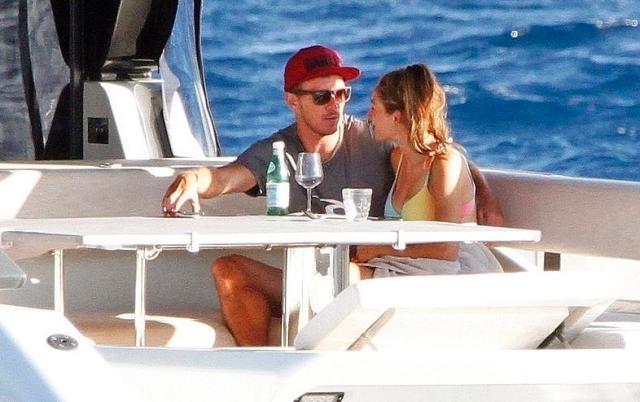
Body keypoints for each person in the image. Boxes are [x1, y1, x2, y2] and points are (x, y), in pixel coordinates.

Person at [162, 45, 504, 346]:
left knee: (329, 282)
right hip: (347, 270)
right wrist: (193, 178)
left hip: (371, 271)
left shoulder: (376, 140)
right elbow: (224, 178)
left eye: (342, 94)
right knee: (229, 270)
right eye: (322, 97)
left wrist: (483, 192)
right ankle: (261, 372)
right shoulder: (279, 152)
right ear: (293, 101)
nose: (335, 105)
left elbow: (435, 151)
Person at [351, 63, 503, 279]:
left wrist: (378, 250)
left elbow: (446, 250)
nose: (368, 116)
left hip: (454, 270)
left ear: (396, 116)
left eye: (374, 107)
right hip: (410, 263)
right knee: (334, 273)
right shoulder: (398, 158)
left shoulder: (444, 163)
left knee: (343, 276)